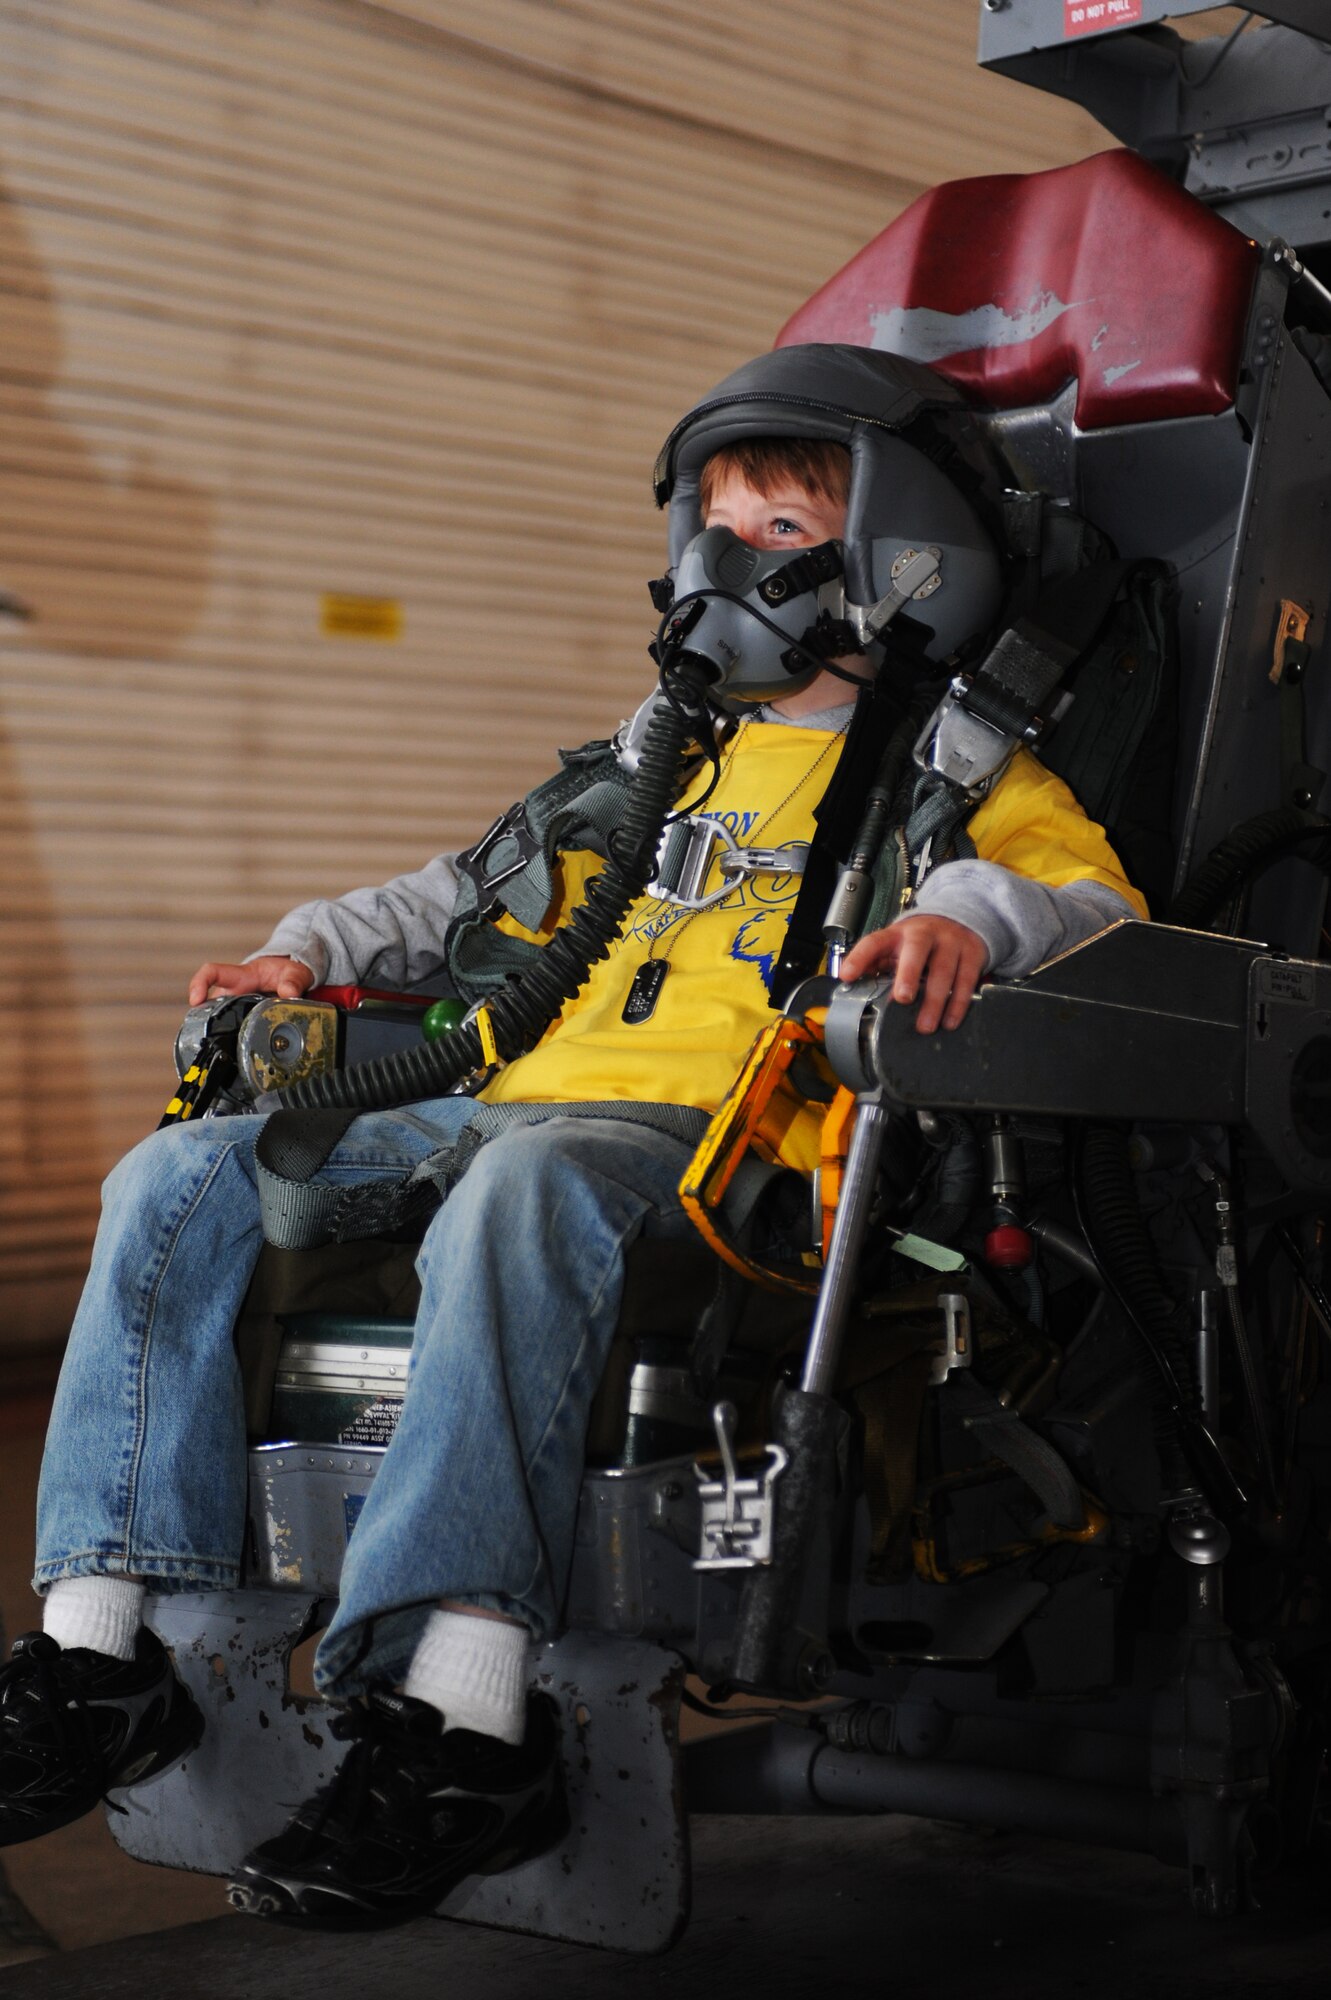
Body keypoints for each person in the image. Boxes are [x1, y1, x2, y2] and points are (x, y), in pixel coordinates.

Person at [0, 347, 1147, 1930]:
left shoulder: (953, 765)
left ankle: (463, 1722)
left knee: (522, 1194)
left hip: (706, 1142)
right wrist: (298, 945)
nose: (720, 564)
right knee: (181, 1173)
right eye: (712, 525)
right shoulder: (657, 758)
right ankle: (94, 1648)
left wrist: (968, 913)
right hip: (510, 1101)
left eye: (770, 528)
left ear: (895, 562)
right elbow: (458, 894)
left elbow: (1086, 893)